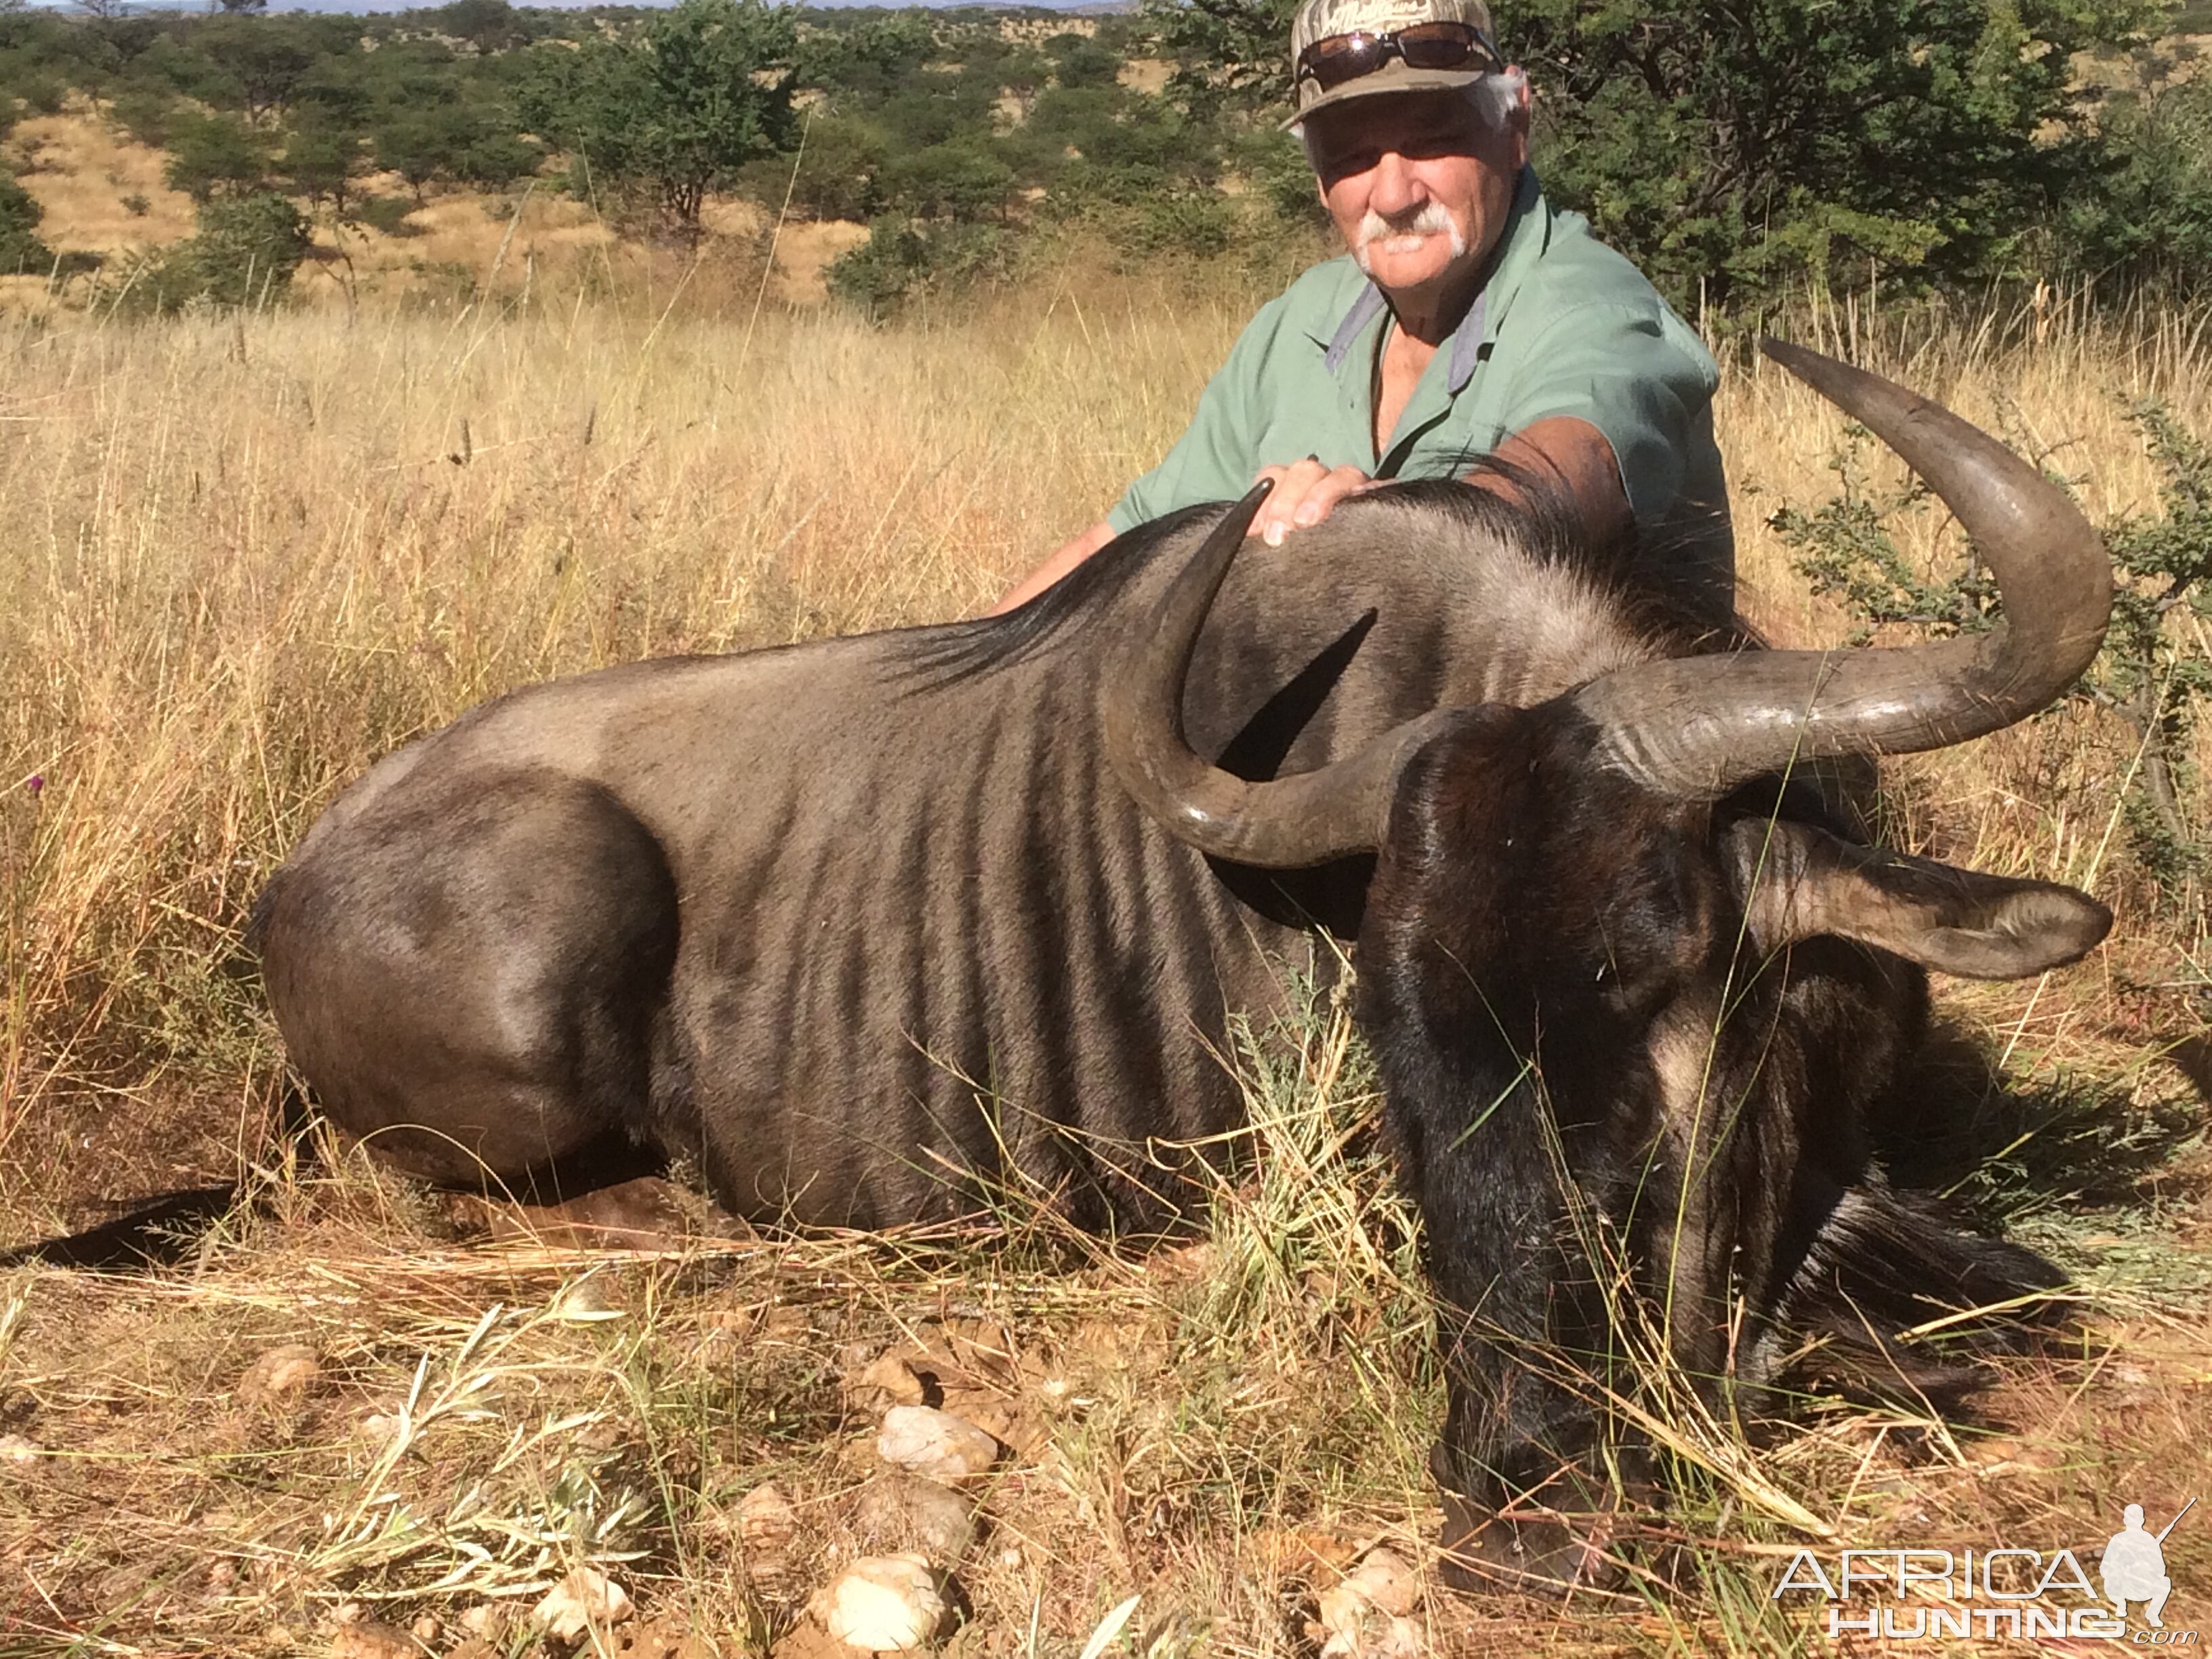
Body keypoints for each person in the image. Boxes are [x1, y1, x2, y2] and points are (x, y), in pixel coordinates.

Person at [991, 0, 1732, 618]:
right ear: (1318, 178)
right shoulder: (1298, 320)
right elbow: (1118, 547)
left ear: (1514, 129)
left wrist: (1392, 528)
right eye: (1351, 155)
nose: (1393, 194)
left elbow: (1575, 468)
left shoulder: (1588, 299)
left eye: (1434, 138)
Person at [2101, 1503, 2173, 1628]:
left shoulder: (2149, 1541)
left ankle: (2153, 1613)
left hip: (2145, 1587)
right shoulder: (2118, 1540)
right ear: (2125, 1520)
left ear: (2142, 1520)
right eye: (2130, 1518)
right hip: (2123, 1586)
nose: (2133, 1521)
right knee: (2112, 1578)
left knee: (2165, 1582)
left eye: (2136, 1518)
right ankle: (2120, 1605)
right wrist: (2122, 1567)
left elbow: (2161, 1569)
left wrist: (2146, 1565)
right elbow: (2105, 1568)